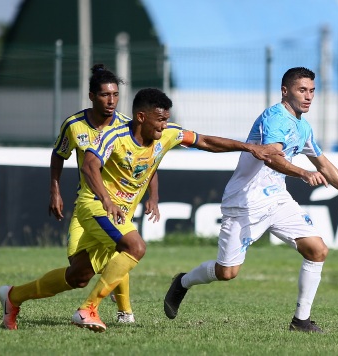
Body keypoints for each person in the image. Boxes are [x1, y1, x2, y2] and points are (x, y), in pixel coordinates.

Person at [163, 67, 338, 333]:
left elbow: (324, 164)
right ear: (285, 91)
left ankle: (301, 321)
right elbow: (271, 156)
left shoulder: (303, 127)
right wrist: (302, 173)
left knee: (317, 250)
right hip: (245, 202)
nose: (309, 96)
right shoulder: (275, 118)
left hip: (277, 200)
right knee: (226, 273)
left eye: (312, 90)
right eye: (302, 90)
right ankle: (183, 282)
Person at [65, 87, 283, 332]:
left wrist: (249, 147)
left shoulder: (168, 133)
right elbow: (88, 166)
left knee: (121, 252)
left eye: (166, 119)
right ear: (141, 117)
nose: (164, 125)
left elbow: (205, 141)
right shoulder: (111, 135)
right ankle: (85, 307)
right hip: (90, 205)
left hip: (118, 212)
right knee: (80, 268)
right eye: (160, 119)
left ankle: (103, 309)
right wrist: (103, 199)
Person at [0, 64, 159, 330]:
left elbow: (145, 162)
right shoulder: (74, 125)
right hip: (89, 206)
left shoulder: (125, 126)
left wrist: (154, 196)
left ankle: (122, 312)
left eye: (116, 95)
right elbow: (59, 155)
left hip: (116, 208)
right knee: (79, 274)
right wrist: (55, 190)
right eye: (106, 95)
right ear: (92, 96)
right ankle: (14, 296)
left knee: (124, 247)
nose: (111, 101)